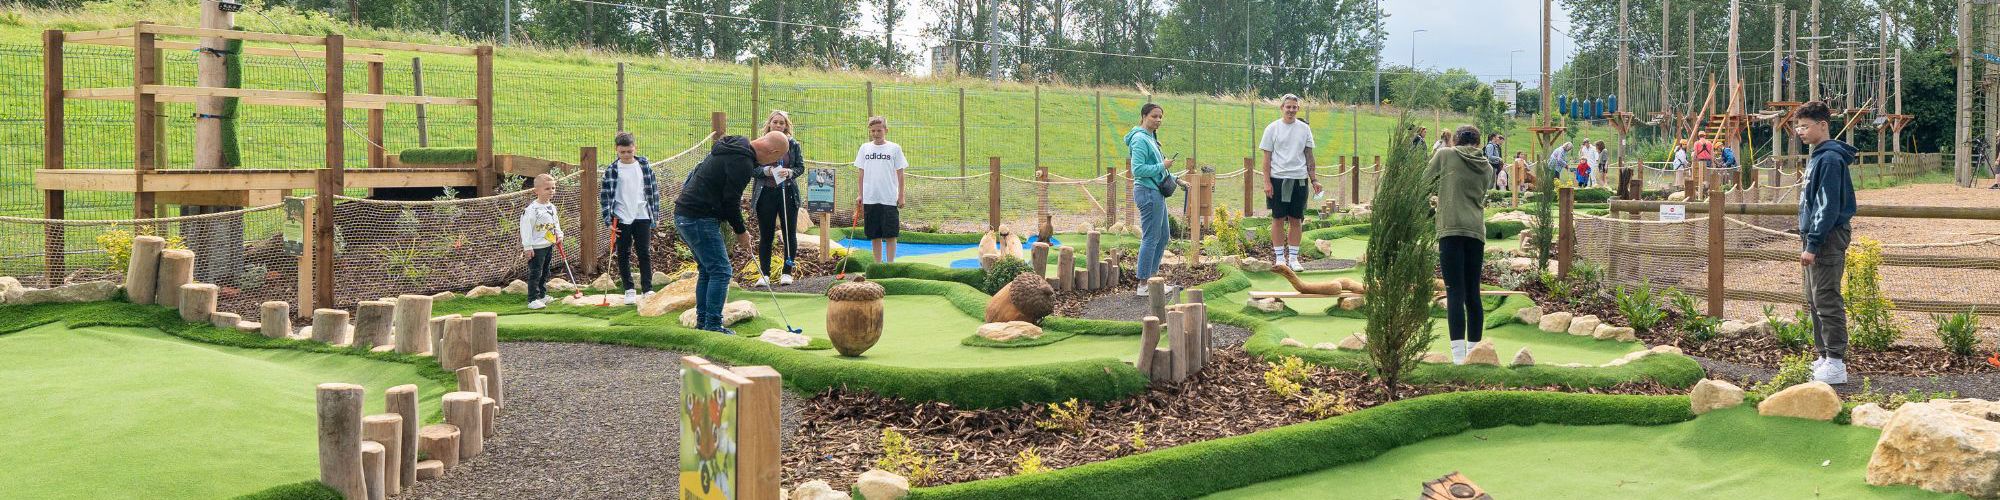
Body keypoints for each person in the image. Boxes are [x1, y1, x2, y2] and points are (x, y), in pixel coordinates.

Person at [675, 131, 792, 334]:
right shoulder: (742, 162)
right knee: (721, 271)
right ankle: (713, 324)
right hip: (699, 216)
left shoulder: (735, 146)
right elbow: (731, 202)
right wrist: (741, 232)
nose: (774, 163)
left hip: (686, 214)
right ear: (772, 151)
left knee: (708, 269)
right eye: (776, 158)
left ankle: (703, 321)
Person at [1792, 100, 1858, 384]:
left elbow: (1827, 205)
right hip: (1814, 236)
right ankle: (1823, 356)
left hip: (1827, 237)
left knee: (1827, 298)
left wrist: (1813, 243)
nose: (1800, 132)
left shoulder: (1830, 159)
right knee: (1814, 298)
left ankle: (1836, 362)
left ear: (1823, 125)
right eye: (1798, 127)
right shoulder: (1817, 156)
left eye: (1805, 126)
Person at [1425, 125, 1493, 364]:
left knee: (1454, 291)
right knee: (1473, 292)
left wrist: (1431, 206)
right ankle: (1475, 355)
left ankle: (1458, 357)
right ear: (1477, 142)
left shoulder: (1445, 155)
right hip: (1476, 231)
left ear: (1455, 140)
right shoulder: (1487, 166)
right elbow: (1484, 190)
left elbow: (1424, 181)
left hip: (1450, 229)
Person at [1258, 94, 1321, 272]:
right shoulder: (1272, 128)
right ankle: (1280, 258)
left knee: (1296, 219)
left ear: (1298, 109)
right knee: (1278, 218)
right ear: (1282, 108)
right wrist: (1267, 182)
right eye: (1288, 107)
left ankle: (1293, 258)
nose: (1291, 110)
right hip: (1278, 179)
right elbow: (1266, 158)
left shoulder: (1304, 129)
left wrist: (1314, 179)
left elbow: (1309, 155)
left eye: (1294, 107)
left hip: (1299, 179)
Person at [601, 132, 659, 305]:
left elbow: (653, 192)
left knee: (644, 253)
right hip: (621, 217)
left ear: (635, 148)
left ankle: (647, 289)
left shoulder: (644, 167)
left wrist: (654, 215)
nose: (626, 155)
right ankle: (629, 290)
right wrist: (608, 220)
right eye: (622, 152)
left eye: (629, 151)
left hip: (642, 215)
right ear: (616, 151)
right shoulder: (612, 170)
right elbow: (605, 197)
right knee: (623, 253)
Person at [1127, 102, 1178, 297]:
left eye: (1160, 117)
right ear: (1143, 116)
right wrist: (1163, 165)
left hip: (1156, 191)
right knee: (1150, 237)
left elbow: (1156, 169)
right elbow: (1138, 170)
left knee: (1163, 235)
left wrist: (1177, 180)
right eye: (1154, 116)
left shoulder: (1151, 137)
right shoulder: (1140, 139)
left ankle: (1153, 280)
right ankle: (1143, 284)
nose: (1158, 120)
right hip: (1147, 192)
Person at [751, 110, 804, 287]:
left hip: (787, 192)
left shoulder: (793, 144)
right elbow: (752, 168)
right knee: (766, 234)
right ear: (769, 124)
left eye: (782, 123)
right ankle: (764, 274)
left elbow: (800, 167)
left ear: (786, 126)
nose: (778, 125)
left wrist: (790, 172)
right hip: (766, 192)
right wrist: (765, 171)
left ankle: (787, 272)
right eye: (775, 122)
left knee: (789, 233)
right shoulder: (760, 144)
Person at [854, 116, 908, 263]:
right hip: (870, 197)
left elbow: (900, 173)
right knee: (874, 234)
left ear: (886, 130)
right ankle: (878, 264)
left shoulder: (894, 148)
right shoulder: (865, 148)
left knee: (891, 233)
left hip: (889, 198)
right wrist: (860, 194)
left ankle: (890, 264)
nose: (876, 133)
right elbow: (861, 173)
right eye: (873, 131)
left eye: (879, 130)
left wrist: (901, 195)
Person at [519, 173, 562, 310]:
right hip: (536, 247)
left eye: (553, 188)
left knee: (545, 271)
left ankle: (542, 295)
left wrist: (559, 235)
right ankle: (532, 299)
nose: (551, 191)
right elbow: (525, 229)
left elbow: (555, 223)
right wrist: (528, 247)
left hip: (548, 244)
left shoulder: (552, 207)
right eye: (547, 189)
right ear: (536, 191)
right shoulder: (531, 210)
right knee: (535, 273)